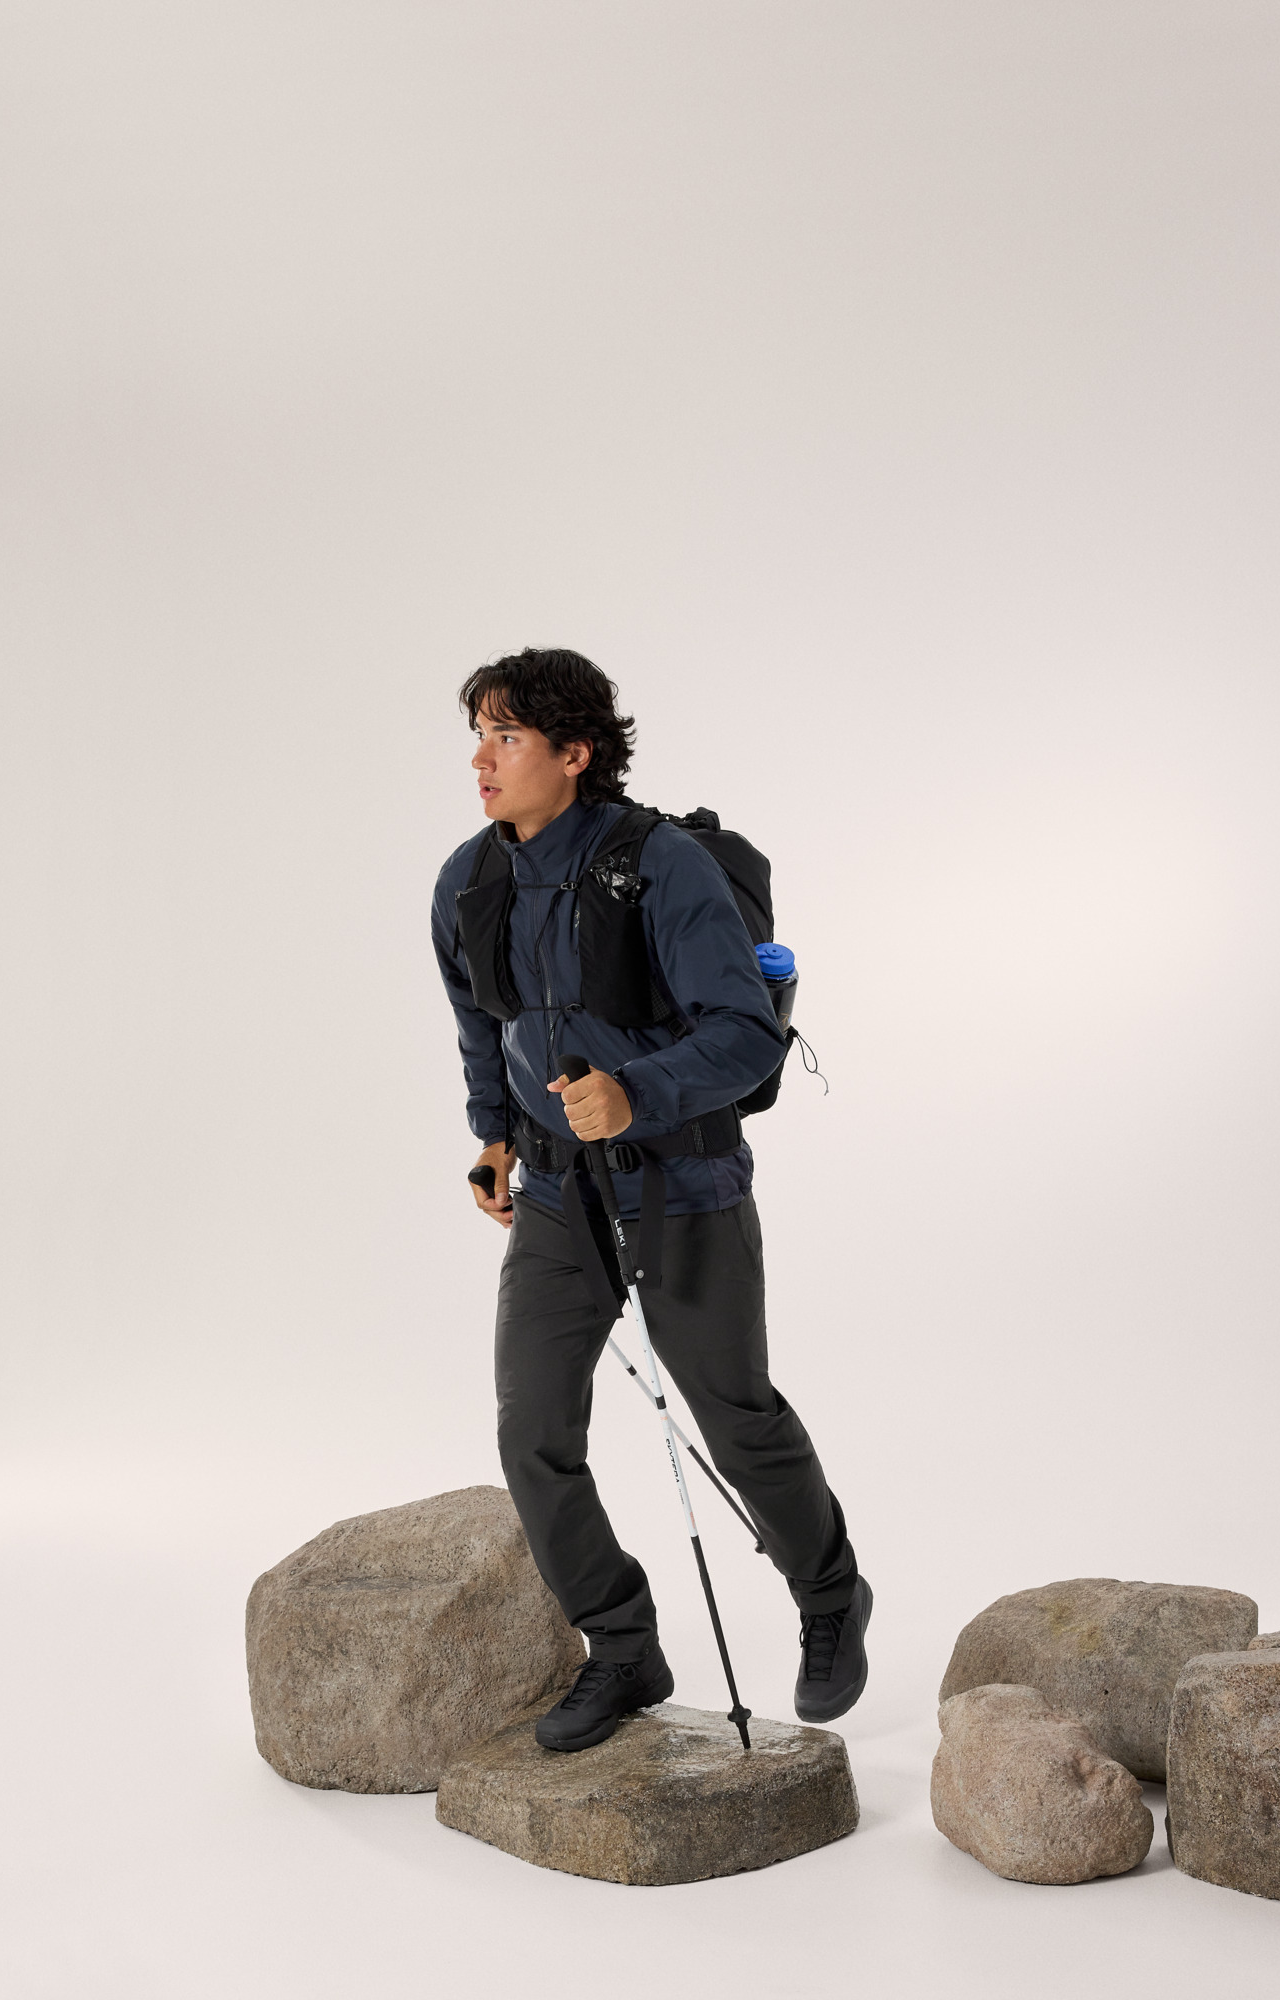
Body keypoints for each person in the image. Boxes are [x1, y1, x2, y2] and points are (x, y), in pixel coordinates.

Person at [431, 647, 870, 1752]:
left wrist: (636, 1095)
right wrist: (494, 1133)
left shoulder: (661, 866)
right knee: (533, 1429)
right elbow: (482, 1019)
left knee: (736, 1413)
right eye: (478, 736)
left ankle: (830, 1595)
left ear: (575, 754)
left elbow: (745, 1033)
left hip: (685, 1182)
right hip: (556, 1194)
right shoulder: (468, 880)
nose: (482, 761)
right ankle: (622, 1646)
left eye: (508, 738)